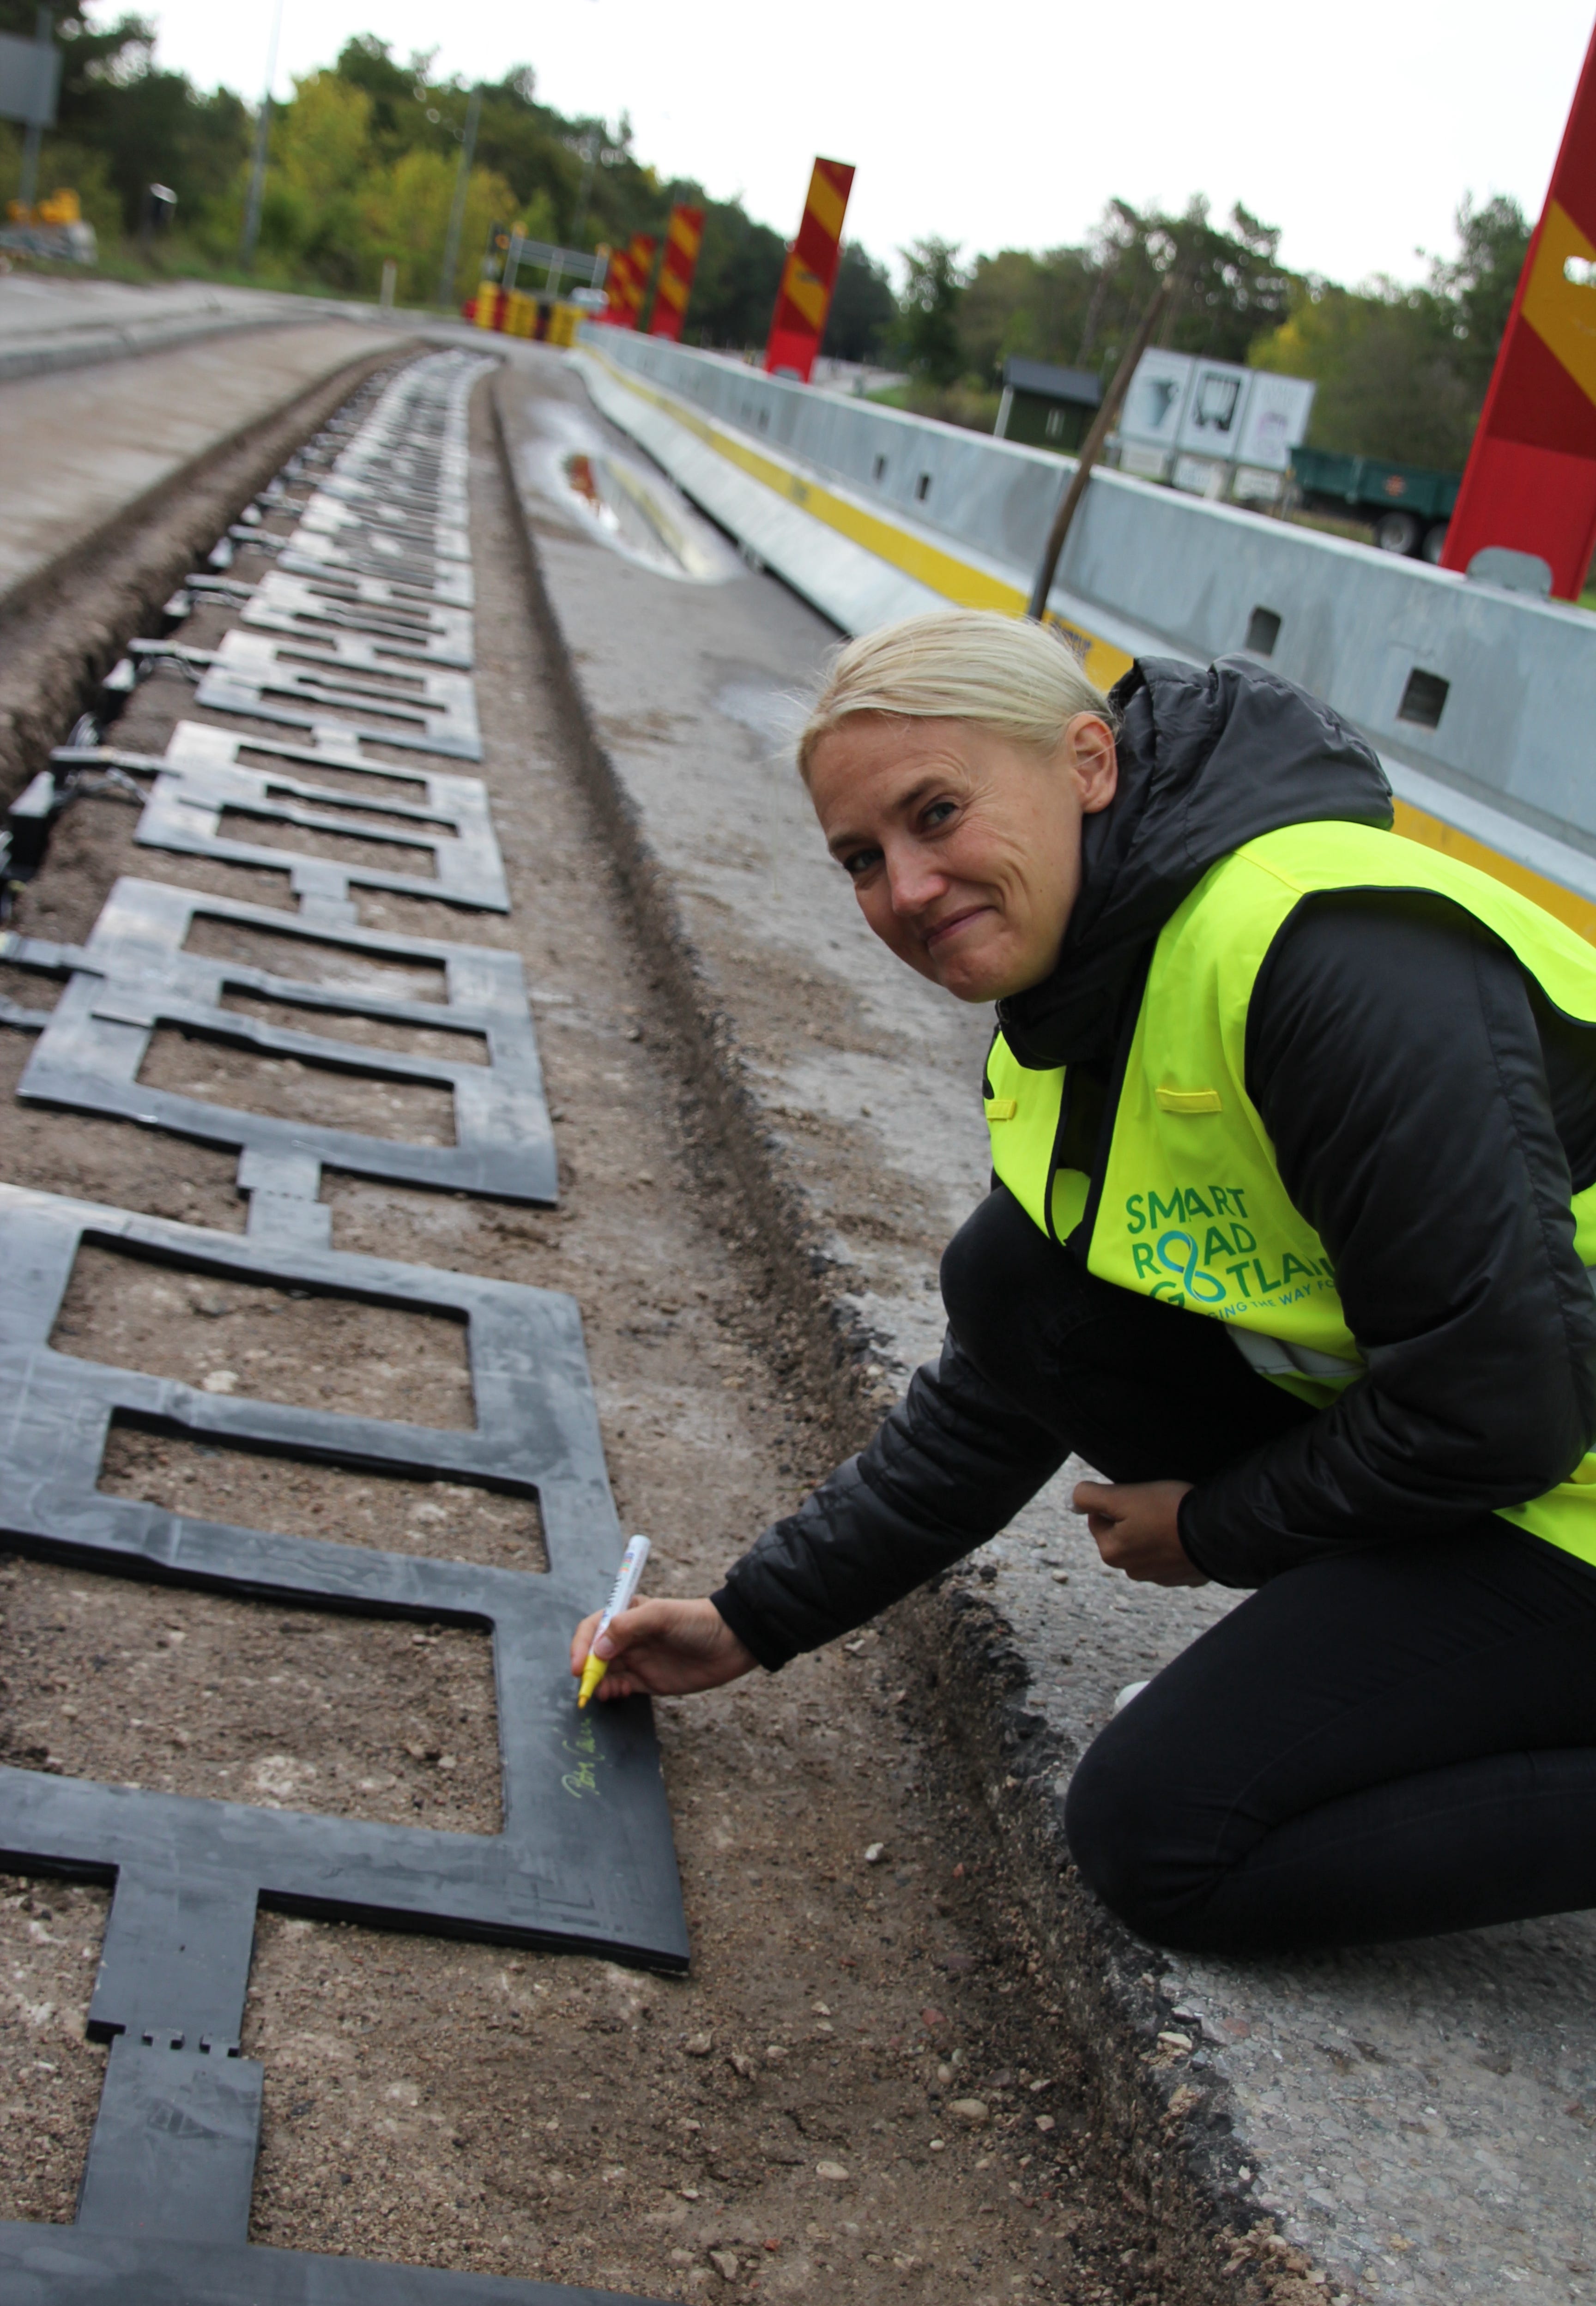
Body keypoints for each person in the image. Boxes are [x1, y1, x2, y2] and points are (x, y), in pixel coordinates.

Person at [571, 610, 1596, 1956]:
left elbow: (1506, 1406)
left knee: (1163, 1837)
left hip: (1543, 1456)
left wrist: (1220, 1527)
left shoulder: (1321, 954)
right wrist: (751, 1619)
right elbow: (1005, 1382)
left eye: (939, 814)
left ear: (1089, 764)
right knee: (1016, 1281)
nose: (910, 890)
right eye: (863, 861)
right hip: (1506, 1441)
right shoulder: (1077, 1010)